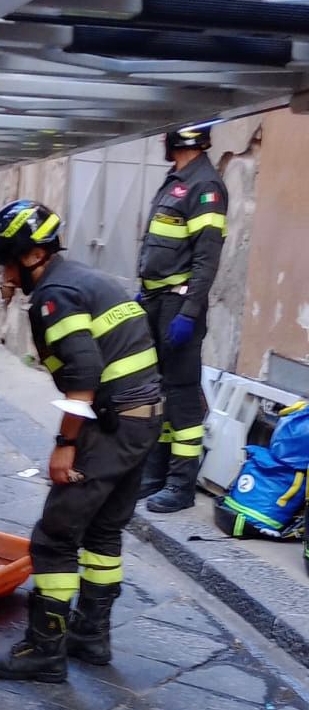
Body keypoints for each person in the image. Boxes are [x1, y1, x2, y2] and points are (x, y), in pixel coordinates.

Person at [0, 201, 162, 684]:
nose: (5, 273)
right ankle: (91, 637)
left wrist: (65, 445)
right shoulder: (84, 279)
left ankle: (44, 650)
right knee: (102, 533)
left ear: (31, 255)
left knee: (55, 537)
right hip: (143, 422)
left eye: (8, 262)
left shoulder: (54, 296)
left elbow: (83, 375)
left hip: (111, 424)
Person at [137, 123, 228, 513]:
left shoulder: (206, 186)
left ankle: (181, 485)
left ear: (182, 139)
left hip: (178, 305)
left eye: (166, 135)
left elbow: (207, 258)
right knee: (158, 389)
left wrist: (189, 312)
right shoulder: (176, 179)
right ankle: (155, 473)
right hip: (157, 300)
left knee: (182, 394)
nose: (161, 140)